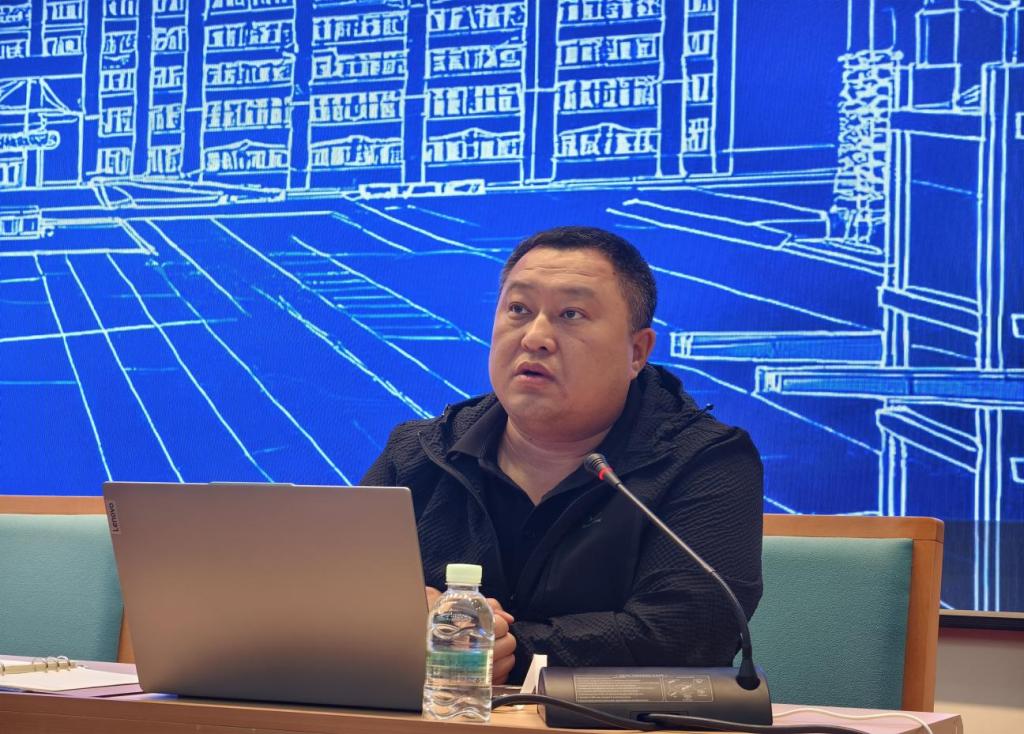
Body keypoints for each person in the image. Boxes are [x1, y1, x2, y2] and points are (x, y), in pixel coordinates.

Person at [361, 226, 763, 684]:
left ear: (637, 352)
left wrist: (502, 648)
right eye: (518, 309)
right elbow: (341, 596)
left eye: (571, 314)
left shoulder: (706, 462)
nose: (535, 337)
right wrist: (409, 617)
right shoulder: (418, 453)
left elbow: (688, 633)